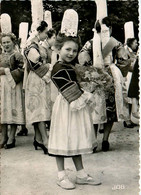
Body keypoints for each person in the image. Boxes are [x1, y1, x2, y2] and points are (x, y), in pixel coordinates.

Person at [48, 32, 101, 190]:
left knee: (75, 137)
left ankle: (81, 174)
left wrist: (90, 83)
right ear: (58, 48)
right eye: (67, 49)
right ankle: (61, 175)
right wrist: (87, 91)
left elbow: (77, 84)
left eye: (74, 50)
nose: (71, 53)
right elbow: (71, 90)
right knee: (63, 138)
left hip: (75, 105)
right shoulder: (58, 68)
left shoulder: (71, 66)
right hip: (66, 105)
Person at [78, 17, 130, 152]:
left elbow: (82, 59)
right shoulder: (116, 43)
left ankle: (93, 140)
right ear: (110, 28)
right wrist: (119, 71)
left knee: (94, 108)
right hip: (111, 75)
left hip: (95, 76)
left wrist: (90, 71)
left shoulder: (90, 43)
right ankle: (105, 139)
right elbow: (124, 60)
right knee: (110, 109)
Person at [24, 21, 52, 154]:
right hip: (37, 79)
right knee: (39, 110)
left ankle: (38, 138)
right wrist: (48, 70)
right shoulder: (31, 45)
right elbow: (36, 64)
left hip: (41, 79)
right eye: (46, 32)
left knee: (41, 109)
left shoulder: (37, 45)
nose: (47, 35)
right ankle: (44, 141)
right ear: (39, 31)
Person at [0, 33, 25, 149]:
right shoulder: (0, 56)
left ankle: (11, 137)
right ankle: (3, 136)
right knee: (3, 110)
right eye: (3, 42)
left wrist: (6, 71)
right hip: (2, 86)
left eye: (8, 42)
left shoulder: (18, 55)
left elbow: (22, 70)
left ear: (13, 42)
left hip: (14, 85)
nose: (6, 44)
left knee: (13, 108)